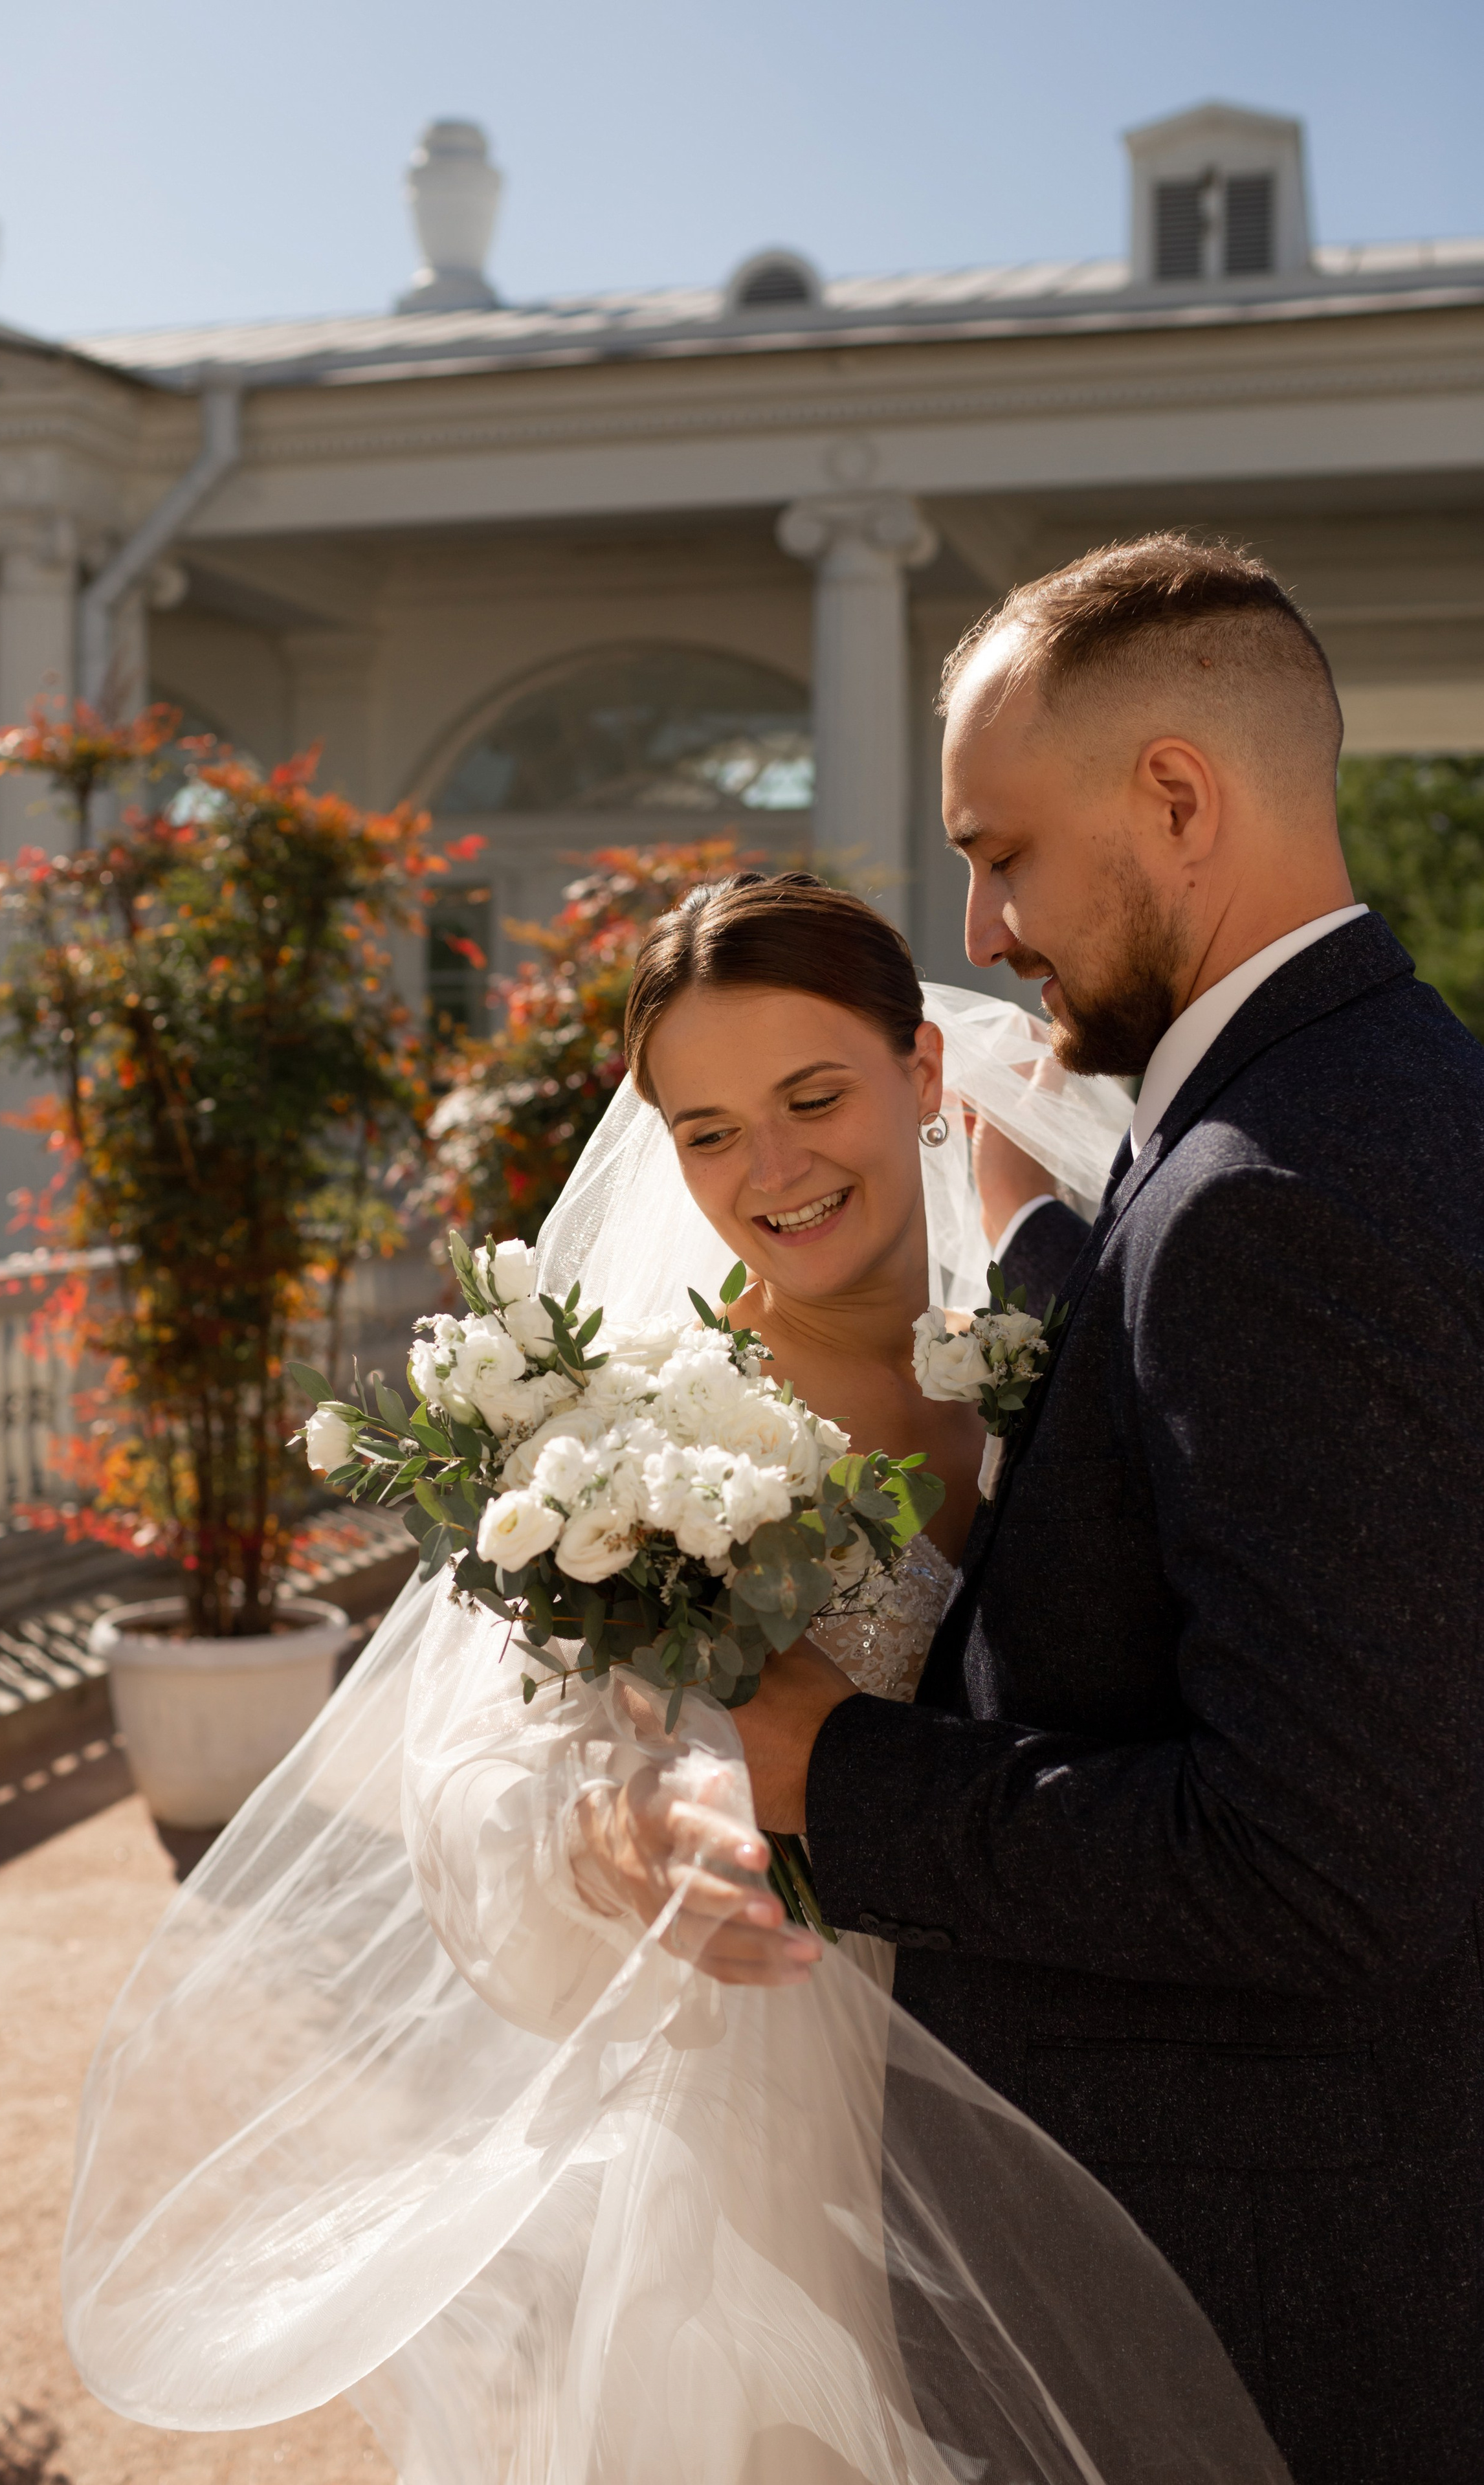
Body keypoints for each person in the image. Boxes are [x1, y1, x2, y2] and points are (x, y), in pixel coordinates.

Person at [60, 870, 1289, 2483]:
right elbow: (477, 1781)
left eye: (809, 1096)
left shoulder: (1075, 1326)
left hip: (1113, 2075)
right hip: (794, 2134)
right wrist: (617, 1834)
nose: (767, 1170)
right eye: (704, 1131)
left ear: (922, 1073)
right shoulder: (632, 1429)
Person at [731, 536, 1484, 2485]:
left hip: (1257, 2301)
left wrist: (842, 1773)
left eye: (1004, 853)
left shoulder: (1269, 1201)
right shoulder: (1384, 1100)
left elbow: (1314, 1858)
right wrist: (1057, 1249)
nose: (979, 924)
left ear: (1175, 799)